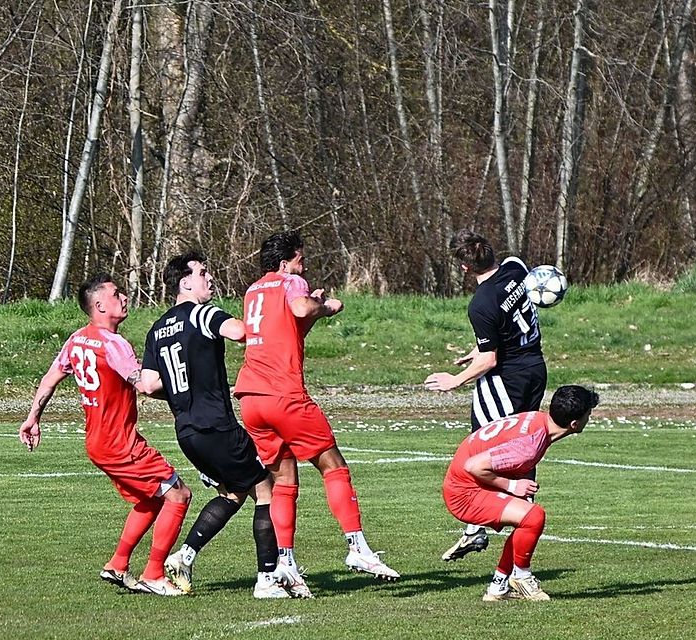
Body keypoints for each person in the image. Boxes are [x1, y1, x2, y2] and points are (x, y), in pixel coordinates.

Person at [233, 230, 400, 597]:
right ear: (284, 262)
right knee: (333, 465)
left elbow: (289, 329)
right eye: (300, 259)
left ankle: (286, 562)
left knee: (284, 481)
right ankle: (358, 548)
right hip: (284, 394)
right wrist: (324, 306)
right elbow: (299, 308)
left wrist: (313, 312)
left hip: (251, 398)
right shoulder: (290, 281)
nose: (303, 266)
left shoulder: (252, 291)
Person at [19, 274, 192, 596]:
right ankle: (154, 575)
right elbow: (143, 384)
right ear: (99, 305)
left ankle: (117, 564)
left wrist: (33, 418)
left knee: (148, 500)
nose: (124, 297)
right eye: (116, 294)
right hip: (120, 444)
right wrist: (191, 390)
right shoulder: (114, 344)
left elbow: (50, 378)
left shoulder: (77, 340)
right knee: (178, 495)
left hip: (98, 442)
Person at [141, 251, 291, 599]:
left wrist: (185, 393)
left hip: (187, 431)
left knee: (235, 491)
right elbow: (238, 331)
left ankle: (185, 556)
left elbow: (148, 385)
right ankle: (266, 580)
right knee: (266, 488)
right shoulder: (201, 313)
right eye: (203, 273)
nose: (210, 278)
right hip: (217, 425)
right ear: (185, 282)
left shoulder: (157, 329)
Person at [425, 230, 547, 562]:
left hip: (505, 379)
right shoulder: (515, 267)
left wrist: (455, 380)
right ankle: (518, 509)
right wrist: (477, 350)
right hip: (535, 368)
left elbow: (490, 359)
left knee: (482, 448)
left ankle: (479, 526)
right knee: (524, 443)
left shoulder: (480, 303)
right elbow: (506, 327)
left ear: (464, 267)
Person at [443, 384, 598, 601]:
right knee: (533, 517)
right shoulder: (530, 444)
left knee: (525, 518)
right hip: (465, 492)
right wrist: (512, 486)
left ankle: (497, 588)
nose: (588, 419)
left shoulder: (538, 419)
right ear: (574, 424)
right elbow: (474, 466)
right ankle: (522, 577)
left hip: (471, 482)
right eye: (588, 415)